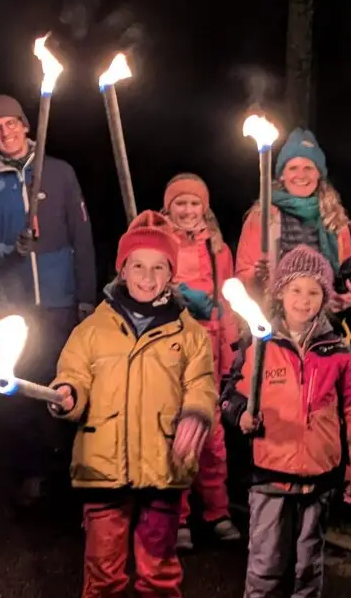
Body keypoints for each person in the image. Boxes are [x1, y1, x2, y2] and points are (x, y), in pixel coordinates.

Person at [48, 210, 217, 598]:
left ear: (171, 274)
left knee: (158, 572)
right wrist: (68, 395)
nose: (147, 276)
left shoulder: (190, 334)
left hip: (164, 464)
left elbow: (201, 384)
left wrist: (196, 413)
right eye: (138, 265)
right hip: (103, 466)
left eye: (159, 266)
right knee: (103, 572)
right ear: (122, 269)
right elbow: (73, 373)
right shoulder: (91, 330)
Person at [235, 127, 351, 532]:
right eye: (293, 168)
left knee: (347, 404)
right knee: (282, 407)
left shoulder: (333, 219)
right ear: (280, 174)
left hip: (325, 325)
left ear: (319, 174)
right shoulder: (262, 216)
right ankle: (279, 487)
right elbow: (241, 275)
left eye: (309, 168)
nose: (301, 175)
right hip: (275, 326)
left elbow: (344, 276)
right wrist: (256, 277)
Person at [0, 94, 98, 507]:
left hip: (61, 300)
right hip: (14, 305)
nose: (5, 132)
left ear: (25, 124)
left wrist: (86, 298)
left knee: (68, 385)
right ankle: (30, 475)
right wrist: (10, 251)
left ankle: (73, 470)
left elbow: (82, 238)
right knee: (21, 389)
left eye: (11, 123)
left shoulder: (58, 172)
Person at [221, 245, 351, 598]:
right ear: (280, 293)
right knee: (265, 565)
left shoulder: (339, 351)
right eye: (295, 290)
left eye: (313, 292)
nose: (304, 300)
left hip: (319, 477)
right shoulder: (259, 345)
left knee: (308, 568)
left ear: (324, 297)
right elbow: (229, 396)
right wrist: (242, 415)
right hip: (270, 475)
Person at [160, 174, 242, 550]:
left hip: (208, 353)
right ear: (169, 207)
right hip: (171, 352)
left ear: (205, 207)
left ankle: (218, 511)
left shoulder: (218, 249)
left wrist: (231, 355)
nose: (188, 210)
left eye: (195, 203)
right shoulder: (159, 241)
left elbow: (225, 305)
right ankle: (177, 516)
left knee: (212, 438)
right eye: (181, 203)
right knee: (176, 433)